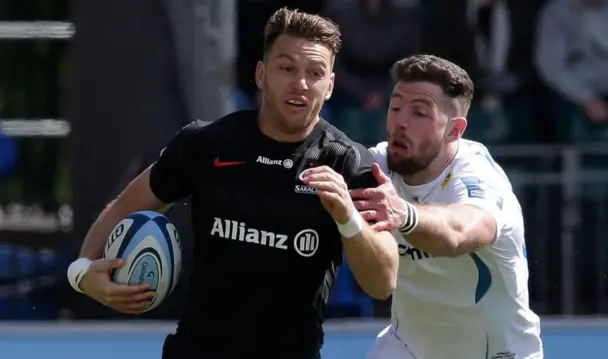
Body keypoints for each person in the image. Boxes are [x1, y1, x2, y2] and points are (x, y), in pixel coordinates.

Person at [66, 8, 398, 359]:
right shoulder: (206, 143)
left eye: (314, 73)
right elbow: (125, 206)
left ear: (329, 86)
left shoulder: (346, 162)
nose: (300, 83)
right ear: (261, 74)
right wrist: (82, 272)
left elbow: (383, 282)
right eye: (286, 68)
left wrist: (348, 217)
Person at [350, 55, 543, 359]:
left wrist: (406, 214)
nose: (400, 122)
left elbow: (460, 230)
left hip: (495, 353)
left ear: (455, 130)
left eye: (419, 114)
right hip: (408, 347)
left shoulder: (478, 177)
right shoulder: (380, 166)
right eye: (396, 106)